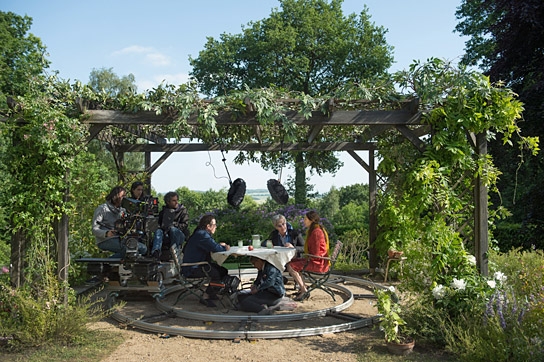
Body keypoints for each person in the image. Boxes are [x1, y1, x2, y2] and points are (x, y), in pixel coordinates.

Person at [181, 214, 230, 307]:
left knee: (223, 271)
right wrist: (225, 248)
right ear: (208, 226)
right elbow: (216, 248)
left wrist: (218, 245)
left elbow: (212, 245)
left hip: (197, 265)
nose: (216, 227)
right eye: (214, 225)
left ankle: (212, 292)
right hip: (192, 268)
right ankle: (206, 296)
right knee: (215, 273)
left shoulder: (201, 234)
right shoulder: (202, 235)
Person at [92, 186, 147, 258]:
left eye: (125, 196)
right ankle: (108, 263)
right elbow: (94, 230)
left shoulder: (122, 210)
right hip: (105, 240)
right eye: (122, 196)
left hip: (119, 238)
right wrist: (106, 233)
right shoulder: (102, 209)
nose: (124, 199)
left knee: (143, 249)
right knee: (129, 250)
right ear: (115, 196)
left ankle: (112, 262)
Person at [286, 210, 330, 301]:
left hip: (318, 263)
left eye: (305, 219)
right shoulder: (313, 230)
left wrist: (305, 256)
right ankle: (303, 288)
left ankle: (303, 290)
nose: (303, 221)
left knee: (291, 266)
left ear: (311, 220)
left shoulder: (316, 232)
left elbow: (316, 253)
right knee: (291, 262)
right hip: (316, 260)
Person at [150, 191, 189, 260]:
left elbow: (184, 225)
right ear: (168, 202)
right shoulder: (164, 211)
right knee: (158, 231)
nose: (176, 202)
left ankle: (174, 253)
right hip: (166, 235)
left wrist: (172, 224)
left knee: (173, 229)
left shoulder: (183, 211)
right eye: (174, 201)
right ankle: (155, 252)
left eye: (177, 200)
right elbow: (159, 224)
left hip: (179, 235)